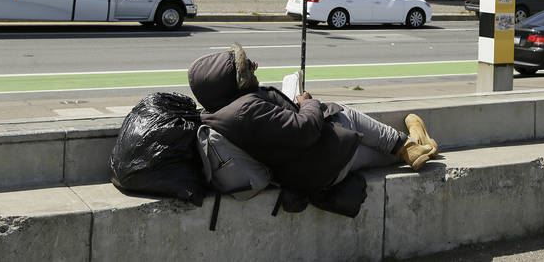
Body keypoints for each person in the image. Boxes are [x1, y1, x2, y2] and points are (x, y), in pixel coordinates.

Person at [187, 44, 437, 196]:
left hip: (306, 172)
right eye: (249, 69)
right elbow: (305, 130)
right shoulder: (246, 110)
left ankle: (414, 146)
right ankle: (406, 144)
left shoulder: (219, 113)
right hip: (320, 165)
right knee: (342, 112)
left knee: (372, 151)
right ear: (235, 84)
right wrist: (307, 103)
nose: (255, 67)